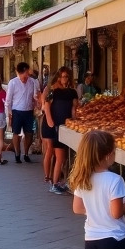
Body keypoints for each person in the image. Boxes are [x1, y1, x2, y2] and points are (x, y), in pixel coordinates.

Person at [42, 66, 79, 194]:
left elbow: (74, 109)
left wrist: (75, 121)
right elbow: (46, 106)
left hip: (67, 127)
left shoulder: (72, 92)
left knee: (64, 157)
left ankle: (60, 182)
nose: (65, 79)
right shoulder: (53, 91)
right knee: (60, 157)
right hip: (57, 127)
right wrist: (51, 122)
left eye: (67, 76)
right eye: (63, 76)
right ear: (59, 77)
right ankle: (55, 183)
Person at [4, 62, 41, 164]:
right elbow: (8, 100)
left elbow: (35, 95)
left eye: (27, 74)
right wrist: (9, 114)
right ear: (20, 73)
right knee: (16, 133)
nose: (26, 77)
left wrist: (37, 101)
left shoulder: (32, 82)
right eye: (25, 74)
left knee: (29, 133)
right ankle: (17, 152)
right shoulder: (13, 83)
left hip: (29, 111)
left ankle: (26, 154)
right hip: (17, 111)